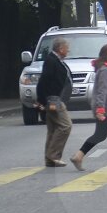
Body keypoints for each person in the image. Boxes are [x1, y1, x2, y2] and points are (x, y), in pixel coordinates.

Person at [36, 38, 73, 167]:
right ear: (60, 49)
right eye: (67, 47)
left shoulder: (56, 60)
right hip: (53, 100)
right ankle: (54, 155)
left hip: (55, 98)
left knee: (53, 128)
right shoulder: (51, 61)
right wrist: (42, 101)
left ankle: (50, 159)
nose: (68, 50)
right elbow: (43, 81)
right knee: (65, 126)